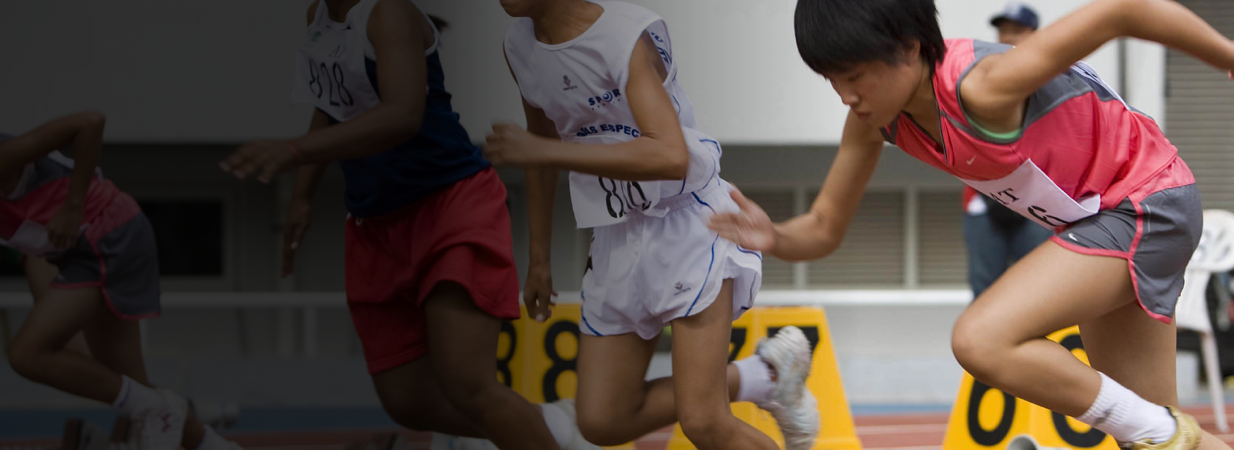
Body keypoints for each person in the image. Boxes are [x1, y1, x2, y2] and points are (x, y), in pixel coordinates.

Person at [710, 0, 1234, 448]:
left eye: (855, 76)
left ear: (911, 47)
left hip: (1149, 202)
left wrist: (1227, 53)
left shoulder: (982, 86)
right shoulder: (878, 121)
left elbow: (1122, 11)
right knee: (1151, 429)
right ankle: (1167, 434)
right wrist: (775, 237)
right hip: (1098, 218)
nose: (846, 97)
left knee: (981, 338)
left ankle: (1163, 432)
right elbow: (824, 226)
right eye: (832, 81)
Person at [219, 1, 583, 448]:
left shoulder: (387, 12)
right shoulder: (318, 14)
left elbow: (403, 115)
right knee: (407, 402)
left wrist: (294, 151)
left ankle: (542, 431)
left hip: (449, 206)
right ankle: (545, 425)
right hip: (376, 223)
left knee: (466, 384)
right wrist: (302, 195)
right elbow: (331, 105)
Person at [491, 0, 820, 448]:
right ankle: (764, 375)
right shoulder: (519, 47)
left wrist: (543, 151)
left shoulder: (623, 35)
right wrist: (540, 259)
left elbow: (669, 155)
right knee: (602, 420)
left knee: (703, 422)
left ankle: (760, 378)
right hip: (614, 233)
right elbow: (541, 145)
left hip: (687, 224)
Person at [4, 112, 239, 450]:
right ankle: (218, 446)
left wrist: (72, 207)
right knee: (130, 387)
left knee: (27, 354)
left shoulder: (4, 157)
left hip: (108, 234)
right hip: (68, 252)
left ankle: (157, 409)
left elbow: (89, 122)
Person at [962, 1, 1051, 298]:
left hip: (1037, 201)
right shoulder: (980, 72)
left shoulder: (1051, 76)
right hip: (984, 199)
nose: (1008, 37)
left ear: (1035, 34)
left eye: (1017, 30)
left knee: (1040, 293)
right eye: (1003, 30)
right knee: (985, 292)